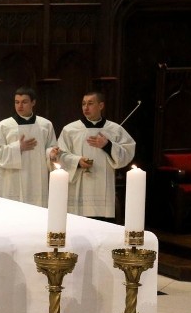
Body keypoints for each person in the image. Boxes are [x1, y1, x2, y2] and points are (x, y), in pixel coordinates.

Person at [52, 91, 136, 220]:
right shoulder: (70, 129)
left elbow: (127, 152)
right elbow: (59, 156)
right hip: (79, 188)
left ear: (101, 106)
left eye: (90, 103)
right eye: (83, 104)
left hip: (103, 189)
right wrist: (78, 161)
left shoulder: (114, 129)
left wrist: (107, 145)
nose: (86, 107)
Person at [0, 87, 57, 208]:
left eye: (24, 102)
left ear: (33, 102)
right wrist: (17, 147)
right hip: (11, 179)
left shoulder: (45, 125)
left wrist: (51, 154)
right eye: (17, 102)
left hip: (36, 177)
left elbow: (50, 147)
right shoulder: (4, 125)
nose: (20, 106)